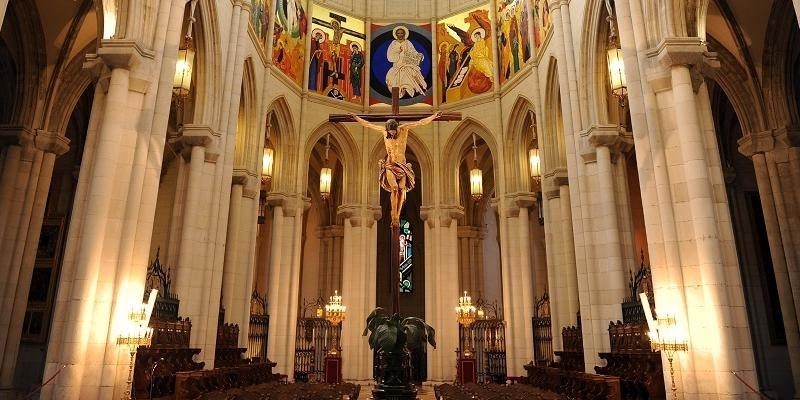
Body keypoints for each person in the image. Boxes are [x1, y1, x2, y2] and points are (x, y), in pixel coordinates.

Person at [351, 112, 442, 226]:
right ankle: (393, 215)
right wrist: (356, 118)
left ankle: (397, 215)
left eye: (394, 132)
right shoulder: (384, 132)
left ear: (397, 128)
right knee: (394, 188)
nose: (392, 134)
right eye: (390, 132)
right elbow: (368, 124)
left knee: (402, 189)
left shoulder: (404, 130)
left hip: (402, 166)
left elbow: (420, 122)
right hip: (390, 165)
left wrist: (433, 117)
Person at [385, 25, 428, 98]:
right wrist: (398, 52)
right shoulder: (393, 43)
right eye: (398, 33)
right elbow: (389, 55)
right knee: (393, 80)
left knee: (410, 77)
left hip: (407, 64)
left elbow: (413, 52)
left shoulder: (408, 42)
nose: (400, 34)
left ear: (404, 34)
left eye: (402, 33)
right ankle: (399, 94)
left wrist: (419, 55)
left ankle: (407, 90)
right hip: (397, 65)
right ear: (396, 34)